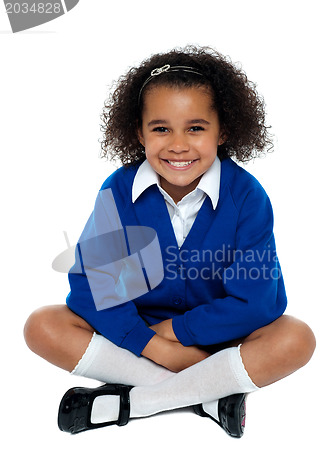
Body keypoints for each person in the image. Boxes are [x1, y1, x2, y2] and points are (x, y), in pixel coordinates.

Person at [24, 46, 315, 438]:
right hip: (137, 335)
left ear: (222, 131)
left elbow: (258, 301)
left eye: (196, 128)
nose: (178, 145)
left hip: (217, 338)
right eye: (161, 129)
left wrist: (175, 333)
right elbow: (94, 288)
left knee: (296, 338)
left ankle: (137, 402)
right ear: (139, 132)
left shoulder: (247, 195)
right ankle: (209, 395)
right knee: (43, 326)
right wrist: (153, 345)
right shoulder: (119, 190)